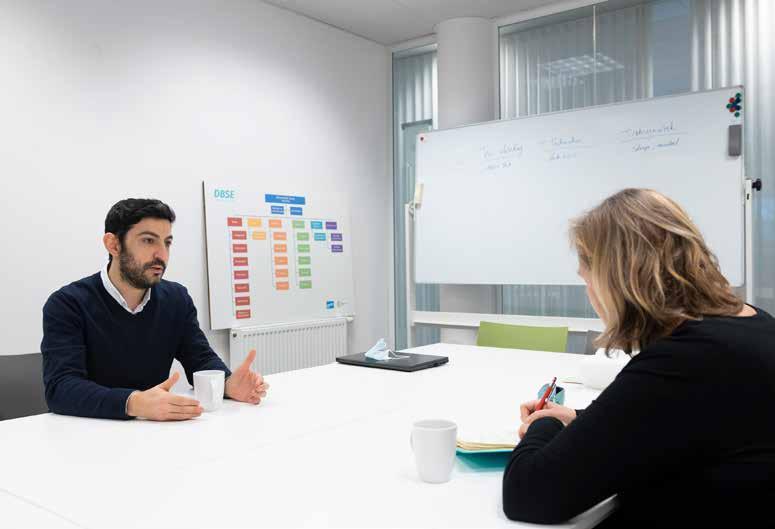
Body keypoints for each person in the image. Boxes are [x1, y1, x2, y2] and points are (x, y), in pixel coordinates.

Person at [503, 189, 775, 528]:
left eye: (586, 278)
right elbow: (676, 417)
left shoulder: (683, 360)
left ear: (613, 281)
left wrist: (545, 424)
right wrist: (577, 418)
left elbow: (530, 494)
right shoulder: (751, 323)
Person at [41, 198, 269, 421]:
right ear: (113, 245)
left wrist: (227, 384)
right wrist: (134, 403)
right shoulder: (67, 304)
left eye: (167, 243)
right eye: (148, 241)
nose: (162, 255)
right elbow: (61, 388)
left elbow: (200, 359)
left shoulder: (176, 299)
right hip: (86, 432)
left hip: (155, 431)